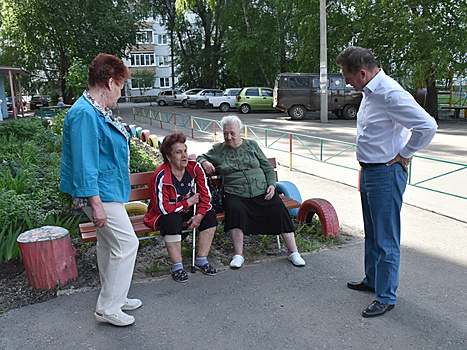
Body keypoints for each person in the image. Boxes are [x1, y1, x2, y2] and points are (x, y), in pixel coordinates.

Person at [336, 46, 437, 317]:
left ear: (362, 72)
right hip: (369, 170)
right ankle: (373, 280)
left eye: (347, 76)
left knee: (386, 237)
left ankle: (386, 296)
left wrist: (405, 154)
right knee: (372, 232)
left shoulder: (389, 93)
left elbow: (428, 126)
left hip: (385, 173)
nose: (346, 81)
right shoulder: (370, 91)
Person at [59, 53, 140, 327]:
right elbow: (84, 164)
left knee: (108, 244)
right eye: (120, 86)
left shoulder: (95, 110)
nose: (120, 92)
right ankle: (108, 307)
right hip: (98, 193)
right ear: (108, 82)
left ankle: (115, 295)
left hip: (107, 190)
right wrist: (95, 204)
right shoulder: (84, 113)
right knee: (128, 244)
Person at [197, 115, 305, 269]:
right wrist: (205, 162)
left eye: (232, 133)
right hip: (235, 192)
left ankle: (293, 252)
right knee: (235, 209)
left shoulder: (252, 145)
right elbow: (200, 158)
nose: (228, 137)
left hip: (262, 190)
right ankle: (238, 254)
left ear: (240, 131)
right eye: (225, 133)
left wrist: (272, 186)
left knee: (278, 207)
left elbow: (267, 167)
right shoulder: (219, 150)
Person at [144, 132, 218, 282]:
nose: (184, 156)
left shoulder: (195, 167)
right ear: (169, 156)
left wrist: (200, 215)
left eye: (185, 150)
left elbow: (205, 196)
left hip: (190, 210)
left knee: (209, 214)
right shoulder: (161, 176)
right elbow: (163, 208)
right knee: (170, 220)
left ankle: (201, 260)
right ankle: (177, 266)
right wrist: (188, 202)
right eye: (178, 152)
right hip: (169, 211)